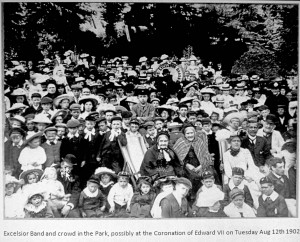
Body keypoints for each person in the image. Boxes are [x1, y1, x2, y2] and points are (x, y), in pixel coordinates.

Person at [173, 123, 212, 199]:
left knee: (207, 174)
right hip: (185, 164)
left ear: (195, 133)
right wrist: (187, 165)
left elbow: (206, 155)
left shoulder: (199, 141)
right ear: (184, 134)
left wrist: (201, 166)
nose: (190, 135)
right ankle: (190, 194)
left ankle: (202, 194)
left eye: (191, 133)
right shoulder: (181, 142)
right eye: (188, 133)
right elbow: (176, 157)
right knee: (189, 175)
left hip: (199, 163)